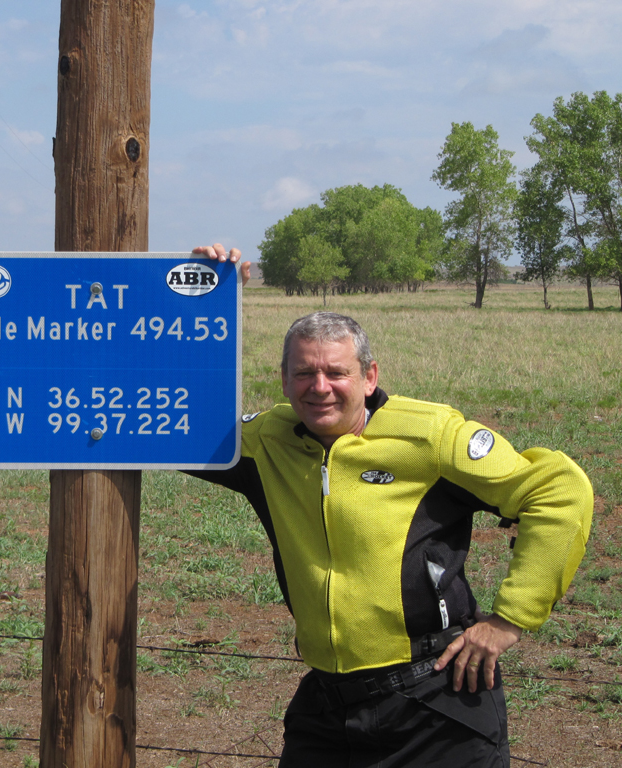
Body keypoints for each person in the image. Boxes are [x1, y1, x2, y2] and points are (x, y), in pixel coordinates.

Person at [191, 244, 592, 767]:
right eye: (304, 374)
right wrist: (201, 300)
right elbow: (171, 417)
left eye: (336, 373)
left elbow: (559, 489)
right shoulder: (269, 440)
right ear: (284, 379)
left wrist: (510, 620)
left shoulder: (430, 436)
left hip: (438, 700)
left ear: (369, 376)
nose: (320, 388)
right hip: (328, 706)